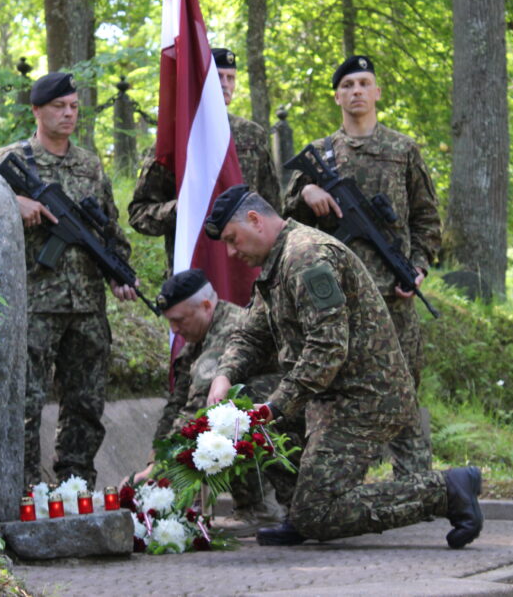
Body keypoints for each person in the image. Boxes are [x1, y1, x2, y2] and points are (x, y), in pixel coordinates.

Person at [204, 185, 482, 548]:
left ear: (255, 220)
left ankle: (445, 490)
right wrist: (224, 376)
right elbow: (251, 335)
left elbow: (328, 347)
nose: (231, 251)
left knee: (316, 512)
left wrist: (275, 406)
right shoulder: (279, 260)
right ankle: (299, 508)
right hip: (327, 394)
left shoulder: (307, 257)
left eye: (232, 239)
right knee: (248, 410)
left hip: (365, 398)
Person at [283, 55, 441, 479]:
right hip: (337, 301)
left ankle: (416, 487)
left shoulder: (402, 150)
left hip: (392, 296)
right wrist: (307, 193)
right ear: (337, 96)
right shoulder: (321, 153)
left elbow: (427, 220)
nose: (356, 91)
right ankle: (339, 486)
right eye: (348, 85)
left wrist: (418, 267)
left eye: (364, 83)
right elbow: (285, 224)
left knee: (403, 393)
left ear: (377, 92)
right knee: (335, 395)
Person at [0, 72, 139, 489]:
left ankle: (76, 485)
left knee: (86, 402)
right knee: (27, 401)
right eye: (59, 106)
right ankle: (23, 487)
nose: (69, 114)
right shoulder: (13, 159)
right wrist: (12, 201)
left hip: (87, 306)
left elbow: (109, 228)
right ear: (36, 110)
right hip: (34, 304)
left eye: (73, 106)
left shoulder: (89, 164)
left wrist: (118, 273)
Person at [127, 269, 292, 535]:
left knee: (229, 408)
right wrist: (153, 463)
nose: (174, 330)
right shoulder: (197, 339)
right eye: (170, 322)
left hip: (290, 415)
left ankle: (260, 509)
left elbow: (200, 408)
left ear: (206, 306)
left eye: (179, 320)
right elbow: (176, 404)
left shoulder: (229, 330)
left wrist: (161, 470)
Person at [128, 47, 281, 271]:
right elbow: (139, 214)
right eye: (218, 77)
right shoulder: (177, 138)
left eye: (230, 78)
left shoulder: (252, 135)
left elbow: (272, 207)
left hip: (247, 269)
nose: (225, 84)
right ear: (202, 81)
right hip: (194, 268)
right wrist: (179, 209)